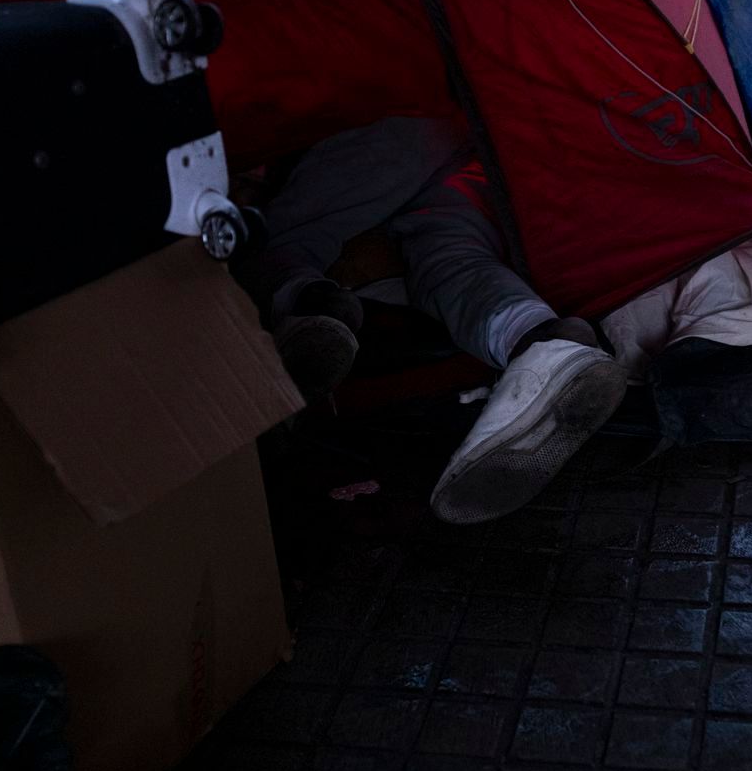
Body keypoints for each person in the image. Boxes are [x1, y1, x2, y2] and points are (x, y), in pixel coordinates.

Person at [246, 116, 625, 524]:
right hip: (481, 132)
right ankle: (543, 340)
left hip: (391, 117)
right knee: (451, 259)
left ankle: (311, 305)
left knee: (282, 243)